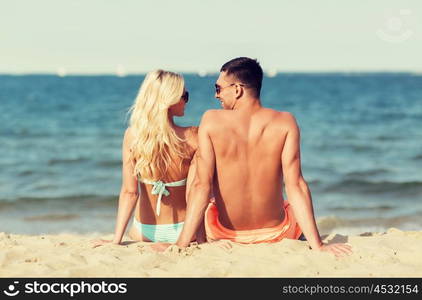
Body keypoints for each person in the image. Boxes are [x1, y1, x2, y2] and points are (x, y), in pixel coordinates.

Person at [174, 57, 352, 257]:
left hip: (225, 234)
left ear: (238, 89)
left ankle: (195, 239)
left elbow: (201, 186)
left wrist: (181, 244)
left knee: (199, 167)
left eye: (218, 88)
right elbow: (296, 185)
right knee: (287, 201)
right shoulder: (286, 122)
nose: (216, 95)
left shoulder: (211, 120)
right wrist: (318, 245)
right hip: (278, 234)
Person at [92, 69, 204, 247]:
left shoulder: (133, 136)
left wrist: (116, 241)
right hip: (183, 230)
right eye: (184, 95)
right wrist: (201, 239)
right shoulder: (192, 136)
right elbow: (197, 191)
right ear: (170, 98)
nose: (186, 101)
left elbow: (130, 192)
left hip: (143, 231)